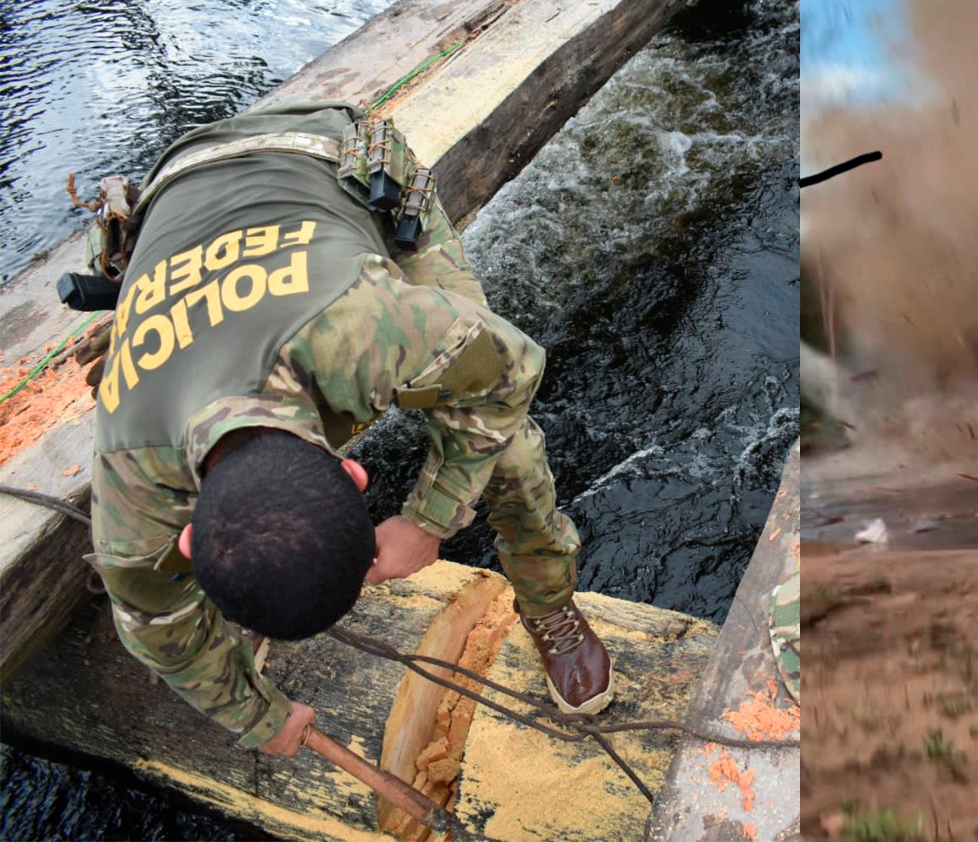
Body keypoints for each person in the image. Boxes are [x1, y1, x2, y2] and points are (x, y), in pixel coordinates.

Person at [86, 99, 613, 758]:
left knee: (502, 447)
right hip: (178, 190)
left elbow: (509, 372)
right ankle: (256, 583)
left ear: (356, 470)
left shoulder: (368, 328)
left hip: (314, 152)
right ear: (353, 472)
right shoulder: (131, 470)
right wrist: (256, 716)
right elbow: (152, 623)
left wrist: (430, 519)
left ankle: (547, 599)